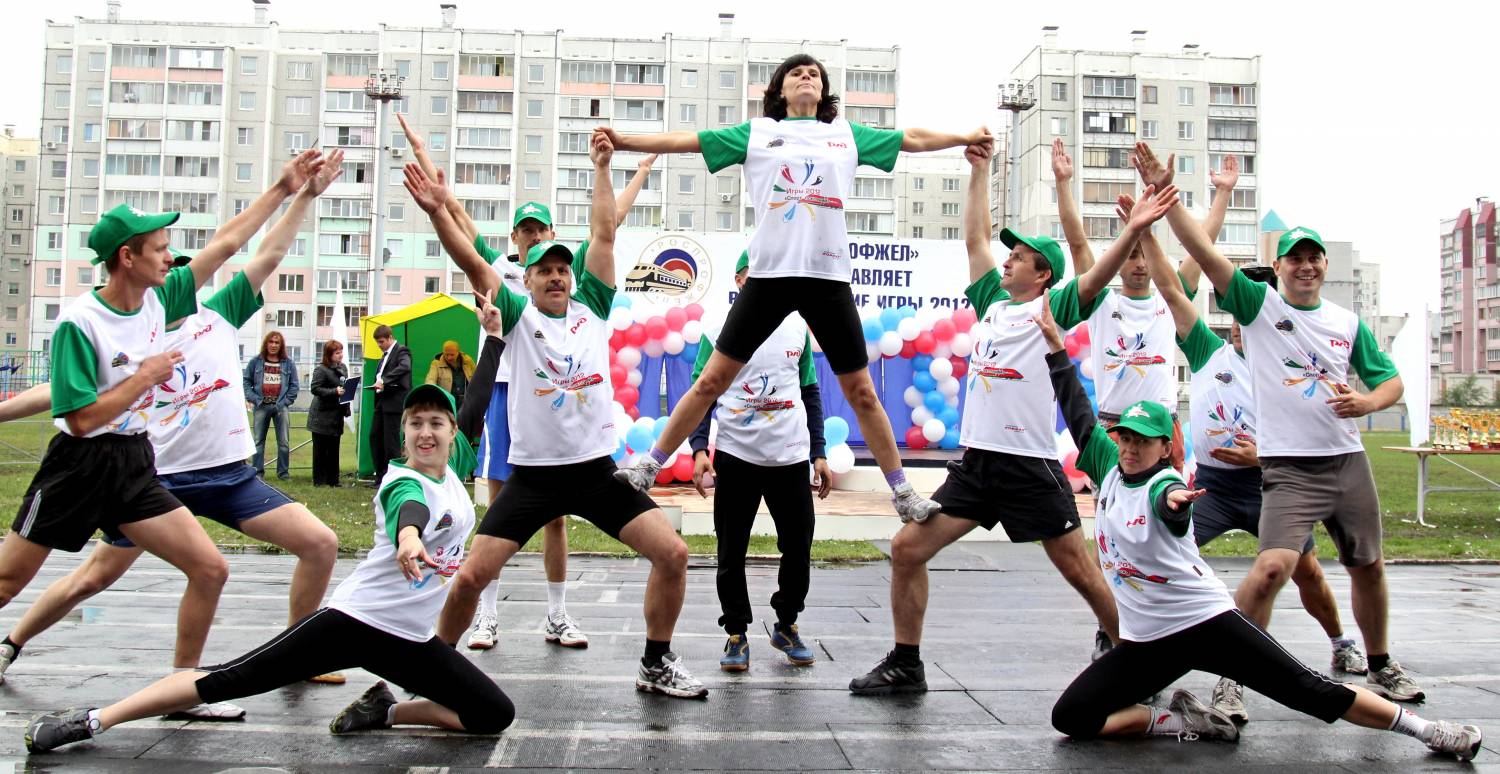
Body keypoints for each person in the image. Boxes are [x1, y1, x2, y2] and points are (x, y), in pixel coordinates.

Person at [1035, 300, 1481, 761]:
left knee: (1311, 691)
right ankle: (1180, 720)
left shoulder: (1165, 484)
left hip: (1205, 624)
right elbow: (1076, 406)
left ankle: (1430, 731)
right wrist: (1054, 346)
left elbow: (1168, 506)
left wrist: (1175, 506)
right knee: (1072, 717)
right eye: (1126, 438)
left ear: (1165, 446)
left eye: (1143, 441)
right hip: (1147, 641)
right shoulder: (1106, 463)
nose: (1130, 448)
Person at [24, 343, 515, 753]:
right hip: (352, 625)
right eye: (415, 424)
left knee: (493, 713)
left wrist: (493, 337)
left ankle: (385, 709)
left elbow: (471, 405)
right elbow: (409, 514)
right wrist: (409, 539)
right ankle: (93, 718)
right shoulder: (402, 481)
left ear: (453, 434)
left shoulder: (454, 463)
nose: (425, 433)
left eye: (436, 424)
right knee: (225, 680)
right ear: (403, 433)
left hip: (410, 639)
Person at [0, 156, 346, 702]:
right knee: (40, 579)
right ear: (127, 257)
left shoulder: (171, 303)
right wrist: (142, 379)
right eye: (161, 250)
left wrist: (289, 188)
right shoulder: (83, 322)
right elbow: (76, 408)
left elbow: (234, 245)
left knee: (218, 567)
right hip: (99, 465)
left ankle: (184, 689)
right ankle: (12, 642)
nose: (172, 260)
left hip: (163, 468)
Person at [603, 53, 993, 523]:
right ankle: (648, 466)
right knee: (711, 380)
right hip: (769, 276)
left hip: (827, 279)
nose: (806, 78)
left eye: (814, 74)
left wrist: (965, 137)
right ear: (781, 92)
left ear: (822, 91)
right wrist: (623, 141)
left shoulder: (845, 135)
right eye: (796, 74)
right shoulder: (758, 133)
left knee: (861, 391)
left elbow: (911, 138)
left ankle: (903, 492)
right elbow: (687, 140)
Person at [848, 142, 1177, 695]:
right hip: (977, 468)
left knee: (1082, 574)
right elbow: (975, 238)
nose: (1008, 259)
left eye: (1019, 256)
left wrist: (1134, 229)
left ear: (1043, 274)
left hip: (1029, 467)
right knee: (907, 549)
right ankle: (907, 664)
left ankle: (1136, 659)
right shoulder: (994, 307)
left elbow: (1094, 278)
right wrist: (978, 171)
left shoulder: (1053, 307)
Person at [405, 131, 708, 698]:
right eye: (545, 269)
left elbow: (603, 231)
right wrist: (437, 213)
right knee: (471, 576)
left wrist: (602, 165)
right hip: (536, 478)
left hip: (595, 473)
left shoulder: (593, 307)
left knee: (673, 553)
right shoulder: (517, 313)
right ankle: (431, 674)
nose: (556, 276)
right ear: (529, 275)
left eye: (562, 269)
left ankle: (655, 662)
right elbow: (469, 256)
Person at [1147, 142, 1422, 704]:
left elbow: (1391, 381)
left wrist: (1369, 405)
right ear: (1280, 269)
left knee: (1365, 565)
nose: (1305, 265)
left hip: (1347, 462)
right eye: (1295, 257)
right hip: (1288, 471)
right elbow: (1199, 253)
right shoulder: (1260, 308)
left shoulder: (1348, 322)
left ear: (1324, 265)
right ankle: (1232, 680)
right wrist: (1166, 198)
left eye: (1313, 256)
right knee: (1272, 568)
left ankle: (1378, 662)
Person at [1137, 210, 1368, 724]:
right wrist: (1146, 232)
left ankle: (1340, 641)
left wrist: (1260, 455)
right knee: (1158, 549)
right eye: (1241, 316)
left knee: (1307, 573)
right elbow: (1174, 293)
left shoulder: (1292, 361)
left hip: (1272, 485)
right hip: (1214, 489)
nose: (1247, 325)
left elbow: (1316, 425)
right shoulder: (1208, 352)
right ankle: (1135, 650)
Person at [688, 250, 832, 671]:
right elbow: (703, 395)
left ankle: (786, 623)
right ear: (738, 282)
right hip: (736, 457)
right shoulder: (717, 331)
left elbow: (810, 394)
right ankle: (736, 633)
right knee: (731, 552)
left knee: (799, 547)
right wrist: (700, 450)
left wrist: (818, 452)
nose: (766, 285)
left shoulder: (796, 329)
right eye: (756, 277)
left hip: (789, 460)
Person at [243, 331, 299, 480]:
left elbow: (294, 385)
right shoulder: (255, 362)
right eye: (271, 342)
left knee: (284, 442)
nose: (273, 345)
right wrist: (254, 398)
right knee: (258, 441)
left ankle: (283, 473)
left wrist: (286, 402)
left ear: (281, 345)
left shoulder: (289, 363)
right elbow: (246, 382)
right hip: (261, 406)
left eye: (277, 343)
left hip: (281, 407)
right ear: (266, 343)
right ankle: (258, 472)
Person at [369, 324, 412, 482]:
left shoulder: (402, 351)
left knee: (390, 441)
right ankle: (380, 476)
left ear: (390, 338)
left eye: (381, 342)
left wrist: (384, 381)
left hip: (394, 402)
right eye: (377, 343)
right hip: (381, 401)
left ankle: (394, 478)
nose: (379, 345)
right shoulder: (384, 355)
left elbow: (405, 367)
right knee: (375, 437)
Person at [309, 339, 349, 487]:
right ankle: (319, 481)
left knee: (334, 449)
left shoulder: (343, 367)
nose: (340, 355)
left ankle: (333, 480)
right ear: (329, 354)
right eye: (337, 353)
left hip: (336, 415)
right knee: (320, 450)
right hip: (321, 415)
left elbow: (344, 385)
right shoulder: (321, 369)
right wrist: (334, 391)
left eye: (341, 352)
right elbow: (315, 389)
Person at [424, 340, 474, 407]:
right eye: (446, 354)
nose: (449, 357)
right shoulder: (436, 363)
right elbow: (430, 379)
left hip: (466, 402)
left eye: (452, 355)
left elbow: (477, 377)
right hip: (446, 402)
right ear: (443, 352)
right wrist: (432, 392)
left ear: (458, 352)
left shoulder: (468, 361)